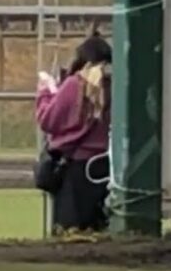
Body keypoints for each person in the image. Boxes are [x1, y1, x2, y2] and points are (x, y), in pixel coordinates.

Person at [35, 30, 113, 234]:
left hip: (77, 166)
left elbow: (49, 120)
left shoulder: (75, 84)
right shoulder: (116, 85)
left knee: (70, 229)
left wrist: (45, 93)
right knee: (101, 226)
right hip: (108, 166)